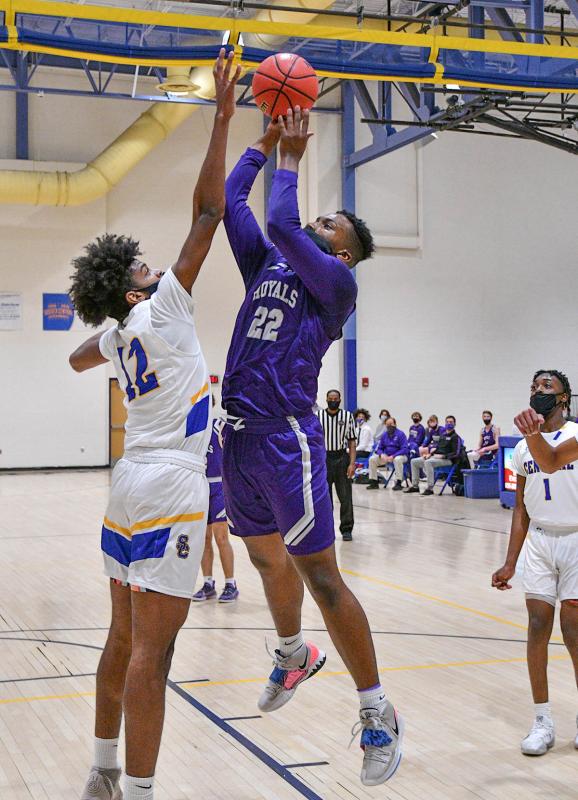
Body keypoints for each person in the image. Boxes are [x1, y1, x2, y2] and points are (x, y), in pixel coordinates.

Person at [68, 51, 240, 800]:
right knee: (153, 653)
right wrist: (224, 117)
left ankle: (103, 772)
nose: (149, 267)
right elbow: (208, 213)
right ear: (136, 283)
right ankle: (136, 793)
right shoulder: (163, 306)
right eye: (138, 267)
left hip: (126, 484)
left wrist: (107, 326)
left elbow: (78, 357)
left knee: (119, 636)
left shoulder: (117, 333)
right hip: (170, 481)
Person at [220, 107, 403, 786]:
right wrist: (261, 142)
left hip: (287, 439)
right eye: (319, 219)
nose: (317, 225)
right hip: (236, 435)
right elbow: (232, 201)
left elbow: (277, 220)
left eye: (330, 224)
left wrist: (291, 158)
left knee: (321, 578)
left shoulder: (336, 284)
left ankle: (378, 712)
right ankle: (294, 654)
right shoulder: (269, 262)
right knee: (265, 562)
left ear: (344, 251)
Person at [492, 369, 578, 756]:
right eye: (533, 385)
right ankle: (542, 720)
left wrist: (531, 434)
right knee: (537, 626)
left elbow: (552, 461)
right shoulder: (524, 447)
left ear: (564, 398)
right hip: (541, 541)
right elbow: (520, 510)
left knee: (574, 632)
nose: (537, 391)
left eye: (547, 386)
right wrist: (510, 561)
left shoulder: (574, 434)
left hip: (576, 538)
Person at [193, 399, 239, 603]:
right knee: (203, 539)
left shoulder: (219, 425)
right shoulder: (191, 429)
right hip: (199, 486)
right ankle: (208, 582)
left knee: (221, 537)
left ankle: (231, 583)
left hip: (219, 485)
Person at [317, 390, 357, 541]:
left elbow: (352, 441)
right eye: (330, 398)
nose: (333, 400)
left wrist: (352, 463)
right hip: (323, 459)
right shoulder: (318, 416)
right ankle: (326, 529)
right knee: (324, 498)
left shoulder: (347, 416)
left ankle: (346, 529)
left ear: (340, 400)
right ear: (326, 399)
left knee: (345, 496)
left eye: (336, 398)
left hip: (341, 458)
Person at [405, 415, 460, 495]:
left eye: (451, 422)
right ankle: (415, 486)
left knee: (428, 462)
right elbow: (438, 448)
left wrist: (443, 456)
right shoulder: (443, 435)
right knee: (414, 461)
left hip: (448, 460)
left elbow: (456, 453)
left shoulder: (456, 437)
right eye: (447, 422)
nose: (449, 424)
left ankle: (430, 488)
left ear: (454, 424)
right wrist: (430, 454)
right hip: (436, 457)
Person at [366, 417, 408, 491]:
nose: (389, 426)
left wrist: (393, 456)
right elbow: (379, 448)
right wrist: (381, 454)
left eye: (391, 424)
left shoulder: (401, 434)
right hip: (387, 457)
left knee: (397, 459)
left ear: (395, 424)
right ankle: (374, 482)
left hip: (400, 456)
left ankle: (398, 482)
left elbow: (404, 449)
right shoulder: (384, 435)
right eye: (387, 424)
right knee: (372, 459)